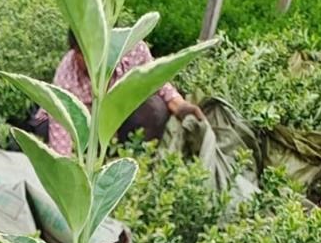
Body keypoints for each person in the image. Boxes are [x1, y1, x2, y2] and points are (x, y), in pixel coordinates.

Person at [34, 32, 204, 156]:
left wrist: (179, 105)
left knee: (155, 109)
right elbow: (61, 124)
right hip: (81, 121)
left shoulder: (133, 50)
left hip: (115, 116)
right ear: (74, 51)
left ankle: (135, 157)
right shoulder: (67, 74)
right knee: (43, 128)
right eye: (82, 53)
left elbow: (155, 80)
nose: (89, 59)